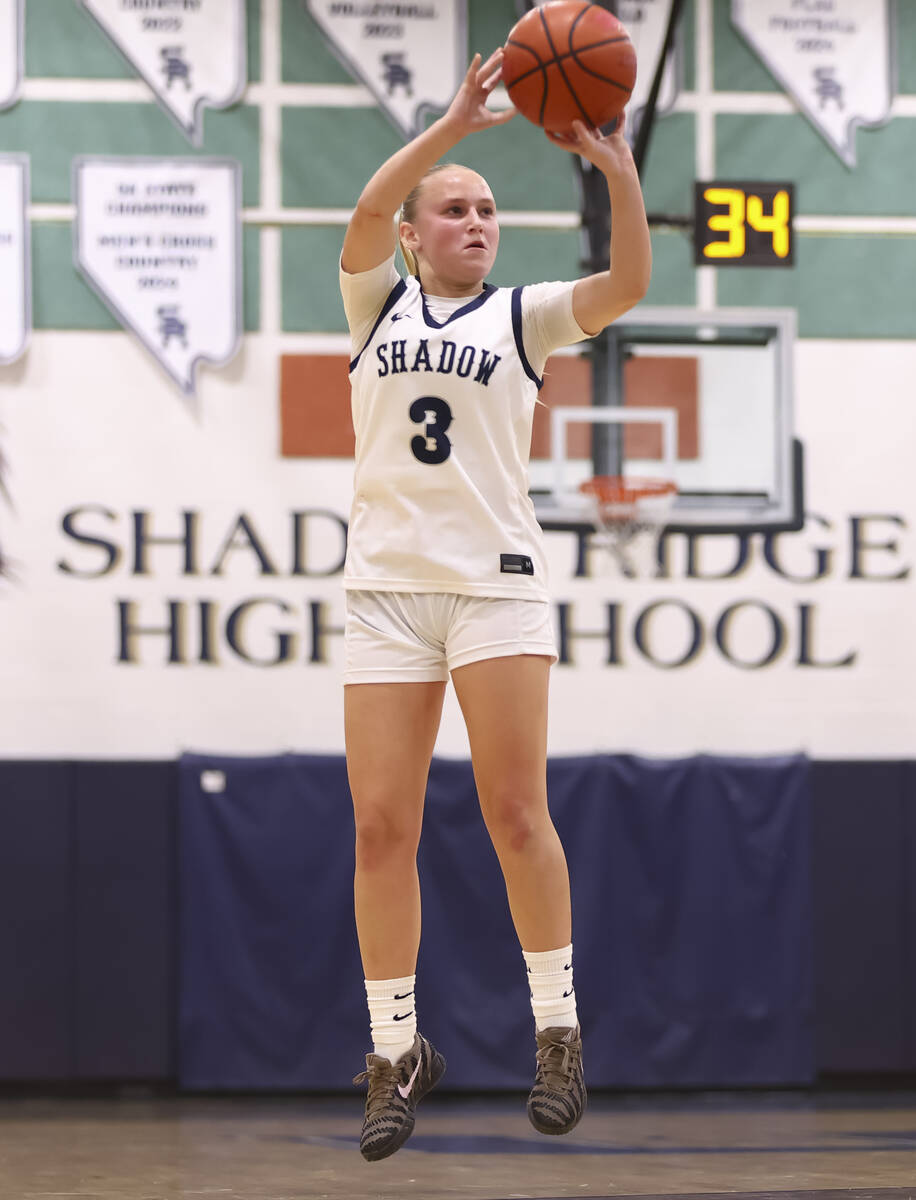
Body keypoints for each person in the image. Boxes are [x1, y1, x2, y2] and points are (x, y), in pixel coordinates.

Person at [340, 47, 651, 1162]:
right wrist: (452, 127)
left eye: (485, 211)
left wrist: (614, 169)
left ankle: (557, 1035)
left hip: (493, 590)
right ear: (417, 234)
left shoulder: (521, 318)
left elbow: (623, 290)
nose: (475, 220)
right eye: (455, 210)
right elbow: (370, 200)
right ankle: (392, 1053)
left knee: (517, 814)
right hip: (384, 590)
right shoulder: (374, 302)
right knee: (382, 827)